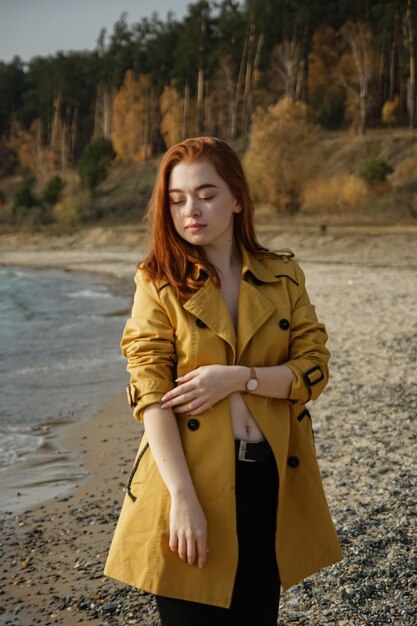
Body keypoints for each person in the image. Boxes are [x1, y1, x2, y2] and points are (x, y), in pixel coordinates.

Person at [104, 136, 343, 626]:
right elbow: (150, 395)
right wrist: (183, 500)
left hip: (269, 477)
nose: (191, 209)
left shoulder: (283, 276)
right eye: (177, 199)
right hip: (189, 479)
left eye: (207, 194)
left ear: (237, 199)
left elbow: (313, 369)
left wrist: (238, 379)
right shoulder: (156, 282)